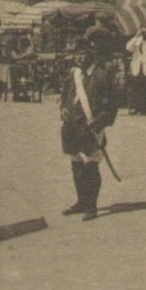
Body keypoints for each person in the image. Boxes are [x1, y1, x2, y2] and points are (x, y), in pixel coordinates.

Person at [58, 39, 120, 221]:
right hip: (71, 125)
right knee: (76, 163)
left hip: (91, 126)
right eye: (76, 53)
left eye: (82, 53)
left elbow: (111, 105)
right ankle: (81, 202)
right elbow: (65, 96)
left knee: (90, 166)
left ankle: (91, 206)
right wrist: (63, 108)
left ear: (91, 54)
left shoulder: (102, 76)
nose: (78, 57)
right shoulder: (74, 74)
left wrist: (99, 122)